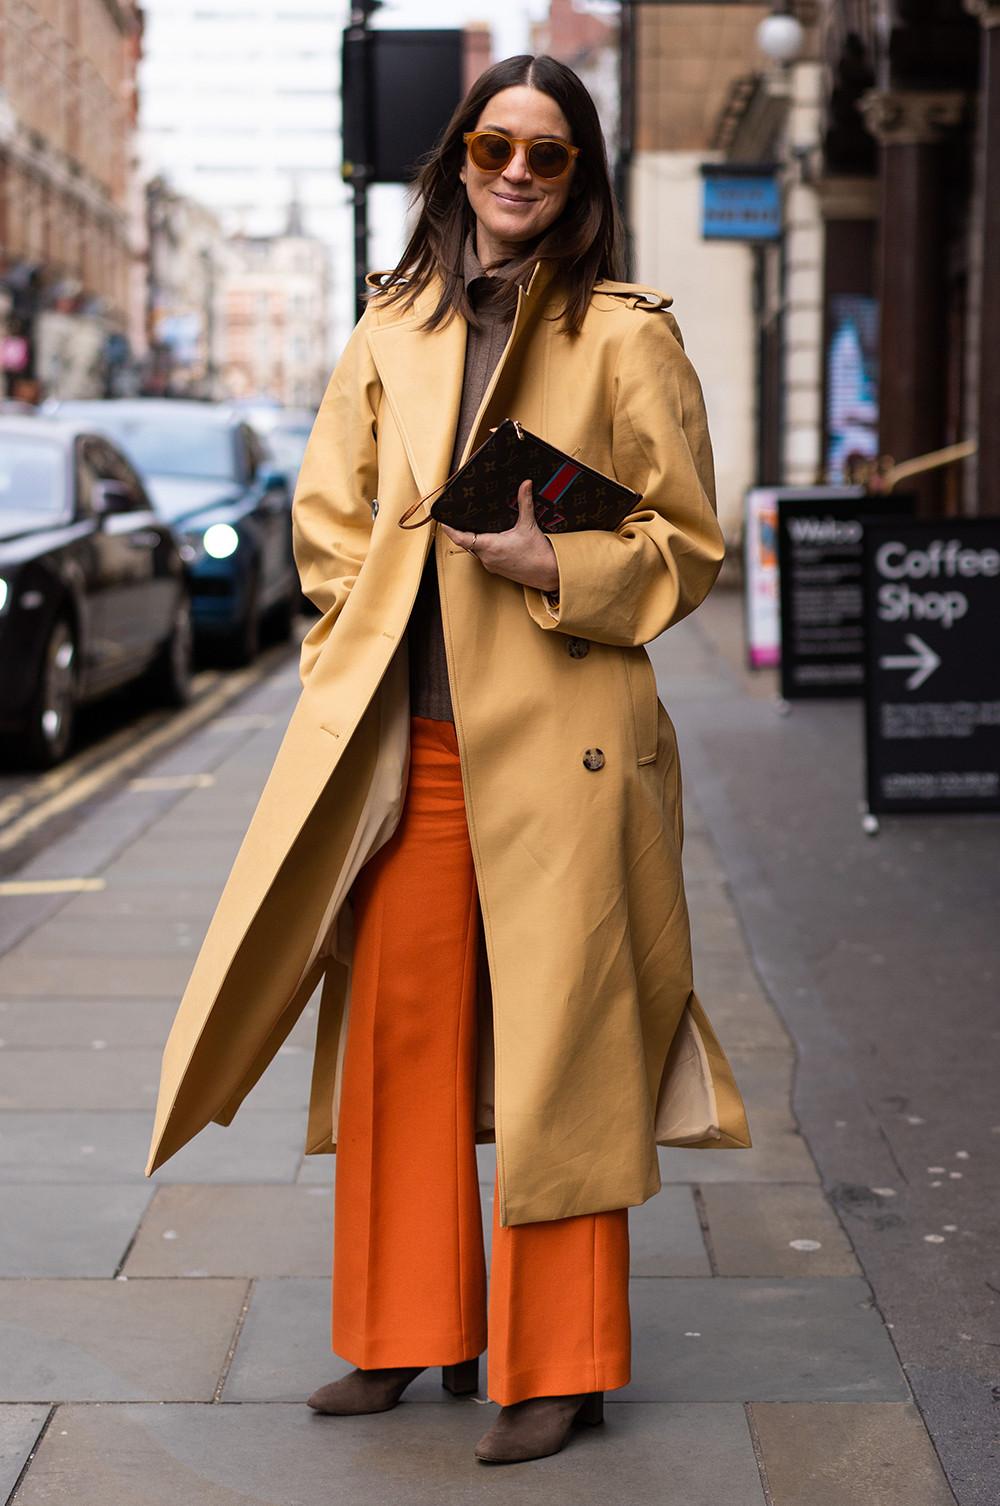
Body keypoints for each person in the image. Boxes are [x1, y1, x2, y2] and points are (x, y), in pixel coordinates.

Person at [144, 52, 750, 1469]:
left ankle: (566, 1363)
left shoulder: (625, 335)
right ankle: (410, 1330)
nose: (520, 176)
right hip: (407, 747)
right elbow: (329, 522)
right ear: (458, 161)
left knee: (566, 1050)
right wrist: (349, 644)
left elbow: (687, 545)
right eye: (496, 149)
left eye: (549, 157)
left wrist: (557, 561)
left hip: (565, 749)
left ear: (582, 178)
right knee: (400, 1045)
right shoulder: (391, 328)